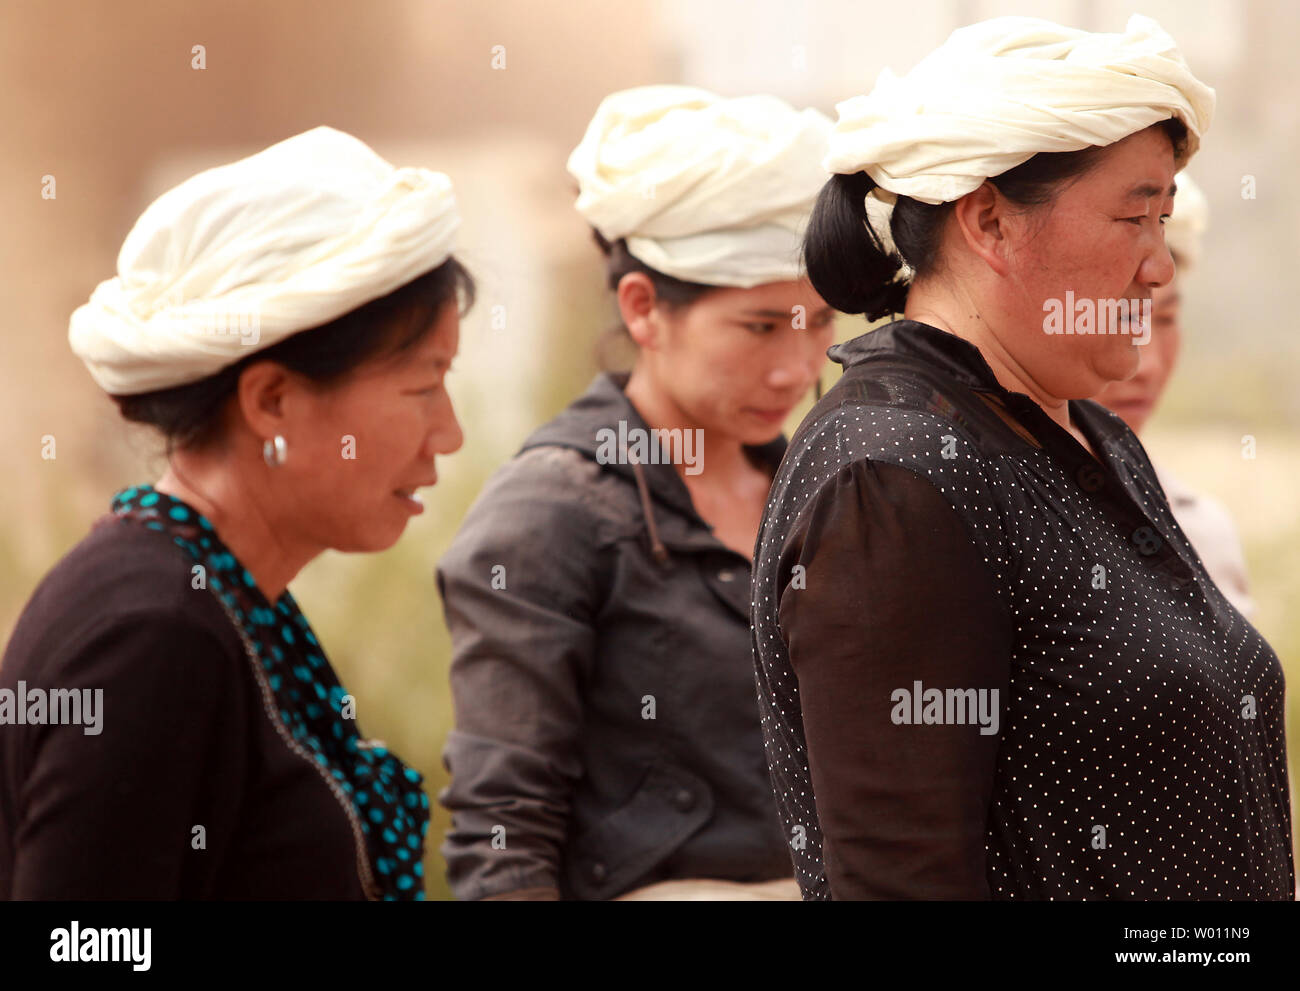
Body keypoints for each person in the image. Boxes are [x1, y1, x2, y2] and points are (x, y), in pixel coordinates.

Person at [752, 15, 1294, 899]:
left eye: (1165, 218)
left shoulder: (1091, 433)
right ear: (991, 222)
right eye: (1133, 217)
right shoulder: (893, 476)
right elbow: (903, 881)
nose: (1159, 268)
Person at [0, 126, 471, 900]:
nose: (448, 432)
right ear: (272, 400)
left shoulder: (229, 599)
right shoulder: (152, 637)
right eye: (424, 386)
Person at [436, 85, 834, 900]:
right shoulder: (550, 515)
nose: (797, 370)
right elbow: (502, 840)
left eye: (819, 322)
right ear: (644, 308)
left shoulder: (822, 492)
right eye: (760, 327)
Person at [1094, 174, 1257, 619]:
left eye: (1164, 321)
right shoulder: (998, 522)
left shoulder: (1204, 527)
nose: (1144, 366)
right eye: (1120, 320)